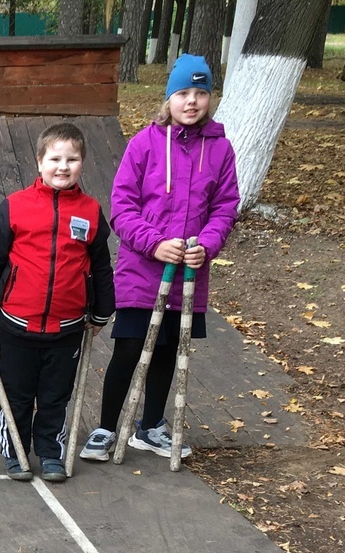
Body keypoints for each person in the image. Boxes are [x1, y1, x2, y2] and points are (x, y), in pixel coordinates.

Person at [80, 54, 240, 462]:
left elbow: (225, 206)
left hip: (188, 273)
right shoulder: (145, 144)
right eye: (183, 93)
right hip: (141, 271)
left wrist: (206, 243)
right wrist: (153, 243)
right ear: (168, 98)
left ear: (210, 98)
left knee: (169, 349)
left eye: (201, 93)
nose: (192, 102)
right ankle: (105, 427)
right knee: (131, 347)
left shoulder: (220, 150)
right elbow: (122, 206)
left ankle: (150, 427)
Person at [0, 121, 116, 482]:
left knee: (55, 397)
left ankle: (50, 451)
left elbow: (100, 266)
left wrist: (101, 311)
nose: (63, 167)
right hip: (18, 325)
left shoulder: (91, 212)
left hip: (66, 328)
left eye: (72, 159)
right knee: (16, 394)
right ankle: (16, 450)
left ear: (82, 164)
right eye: (55, 159)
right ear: (39, 162)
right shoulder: (15, 207)